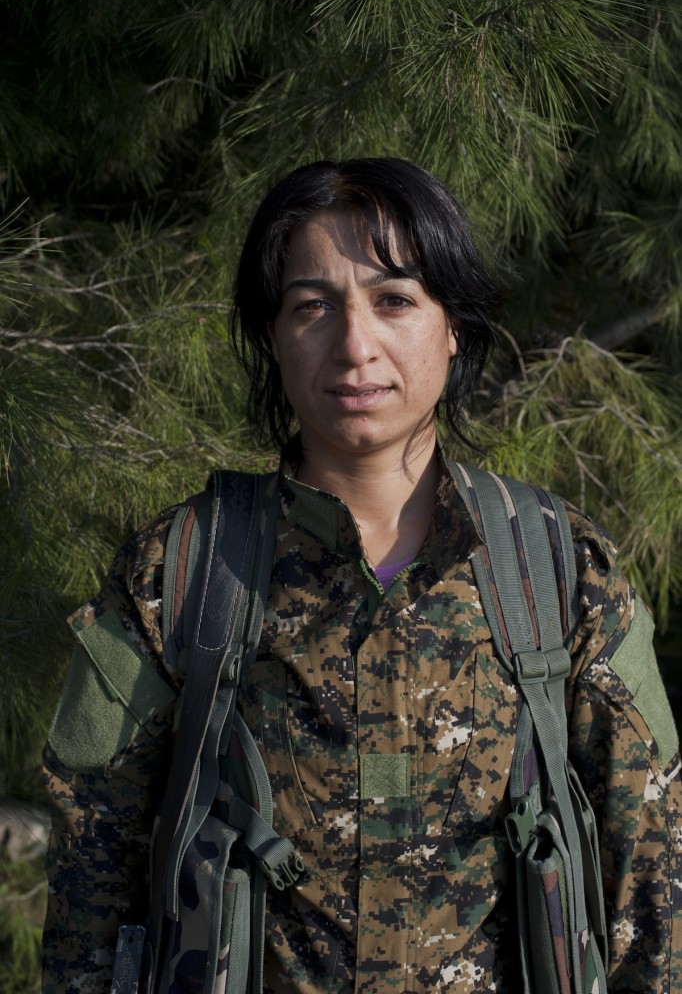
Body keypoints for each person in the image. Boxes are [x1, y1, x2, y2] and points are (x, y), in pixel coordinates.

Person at [42, 158, 681, 993]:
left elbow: (654, 899)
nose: (354, 345)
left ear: (453, 324)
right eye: (313, 305)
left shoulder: (557, 573)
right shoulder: (182, 573)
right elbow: (88, 911)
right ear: (271, 334)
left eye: (394, 300)